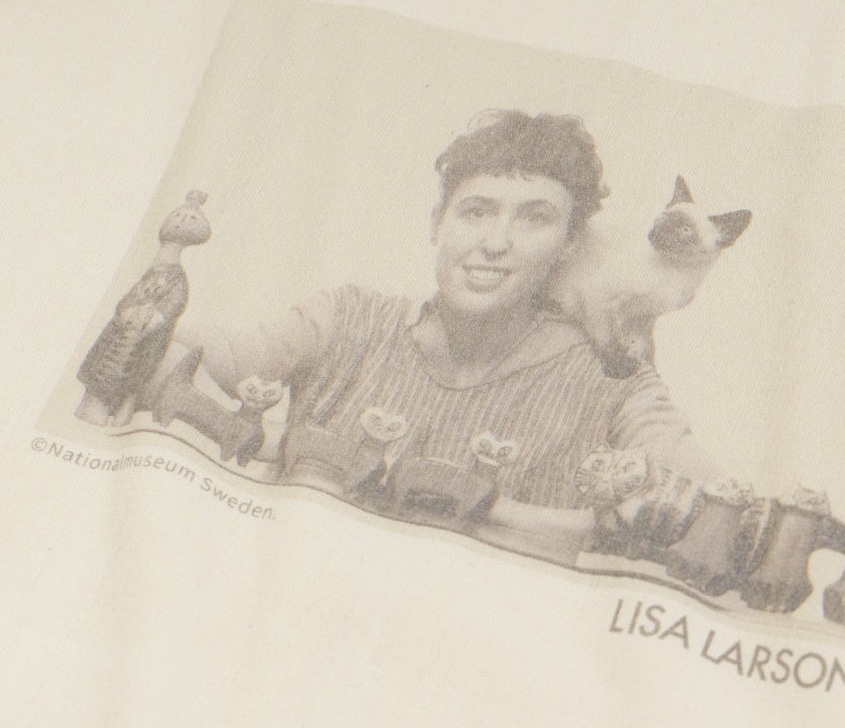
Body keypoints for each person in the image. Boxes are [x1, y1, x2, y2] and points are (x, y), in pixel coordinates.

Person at [172, 111, 720, 562]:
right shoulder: (348, 319)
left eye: (534, 219)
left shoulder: (615, 387)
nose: (495, 243)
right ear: (438, 222)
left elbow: (715, 512)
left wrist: (496, 512)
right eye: (476, 212)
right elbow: (194, 348)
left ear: (570, 244)